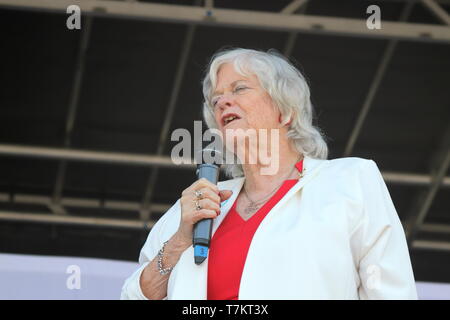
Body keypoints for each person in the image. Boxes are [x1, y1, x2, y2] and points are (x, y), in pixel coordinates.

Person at [121, 48, 417, 300]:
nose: (223, 101)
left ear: (285, 111)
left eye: (239, 89)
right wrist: (179, 242)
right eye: (216, 99)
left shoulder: (349, 180)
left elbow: (391, 292)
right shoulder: (191, 209)